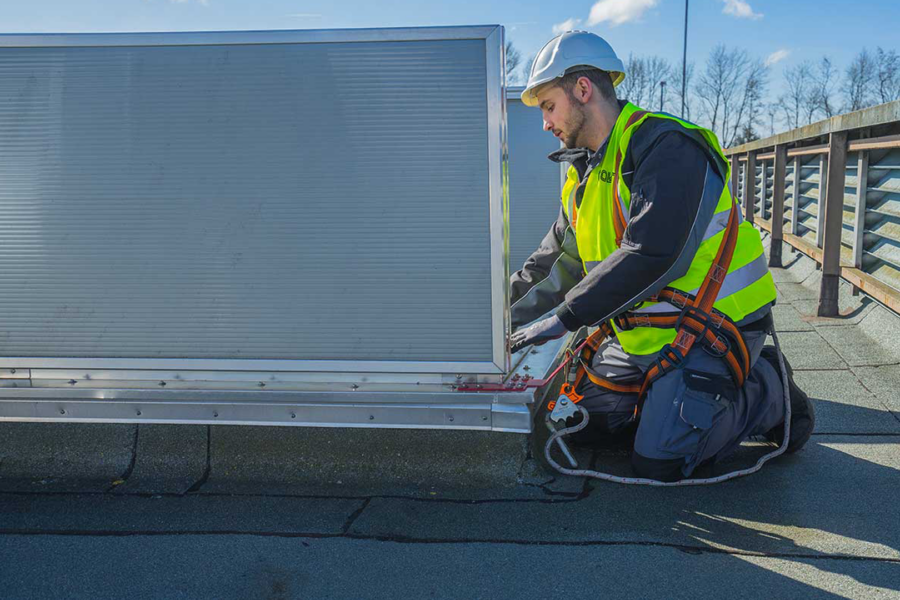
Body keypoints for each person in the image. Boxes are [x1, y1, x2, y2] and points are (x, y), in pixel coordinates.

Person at [508, 31, 814, 482]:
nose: (544, 123)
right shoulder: (585, 174)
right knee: (574, 425)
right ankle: (668, 400)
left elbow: (653, 254)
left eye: (548, 106)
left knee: (660, 461)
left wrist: (566, 318)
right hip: (646, 336)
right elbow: (552, 265)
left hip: (716, 325)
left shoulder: (667, 147)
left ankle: (769, 388)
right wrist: (497, 322)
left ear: (583, 90)